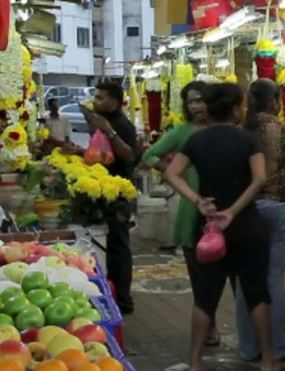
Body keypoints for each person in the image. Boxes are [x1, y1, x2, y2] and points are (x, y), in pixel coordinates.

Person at [164, 83, 285, 371]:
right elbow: (259, 179)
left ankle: (195, 363)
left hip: (208, 228)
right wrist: (233, 211)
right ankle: (269, 361)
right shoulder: (247, 140)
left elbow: (171, 173)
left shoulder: (197, 140)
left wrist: (198, 201)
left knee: (205, 296)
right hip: (245, 224)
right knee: (256, 291)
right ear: (236, 109)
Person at [140, 80, 221, 346]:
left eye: (200, 100)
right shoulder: (183, 132)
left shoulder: (225, 129)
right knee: (198, 271)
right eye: (190, 102)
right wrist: (175, 173)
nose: (196, 106)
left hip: (224, 208)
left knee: (221, 271)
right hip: (192, 206)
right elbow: (150, 156)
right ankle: (208, 325)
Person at [236, 79, 285, 362]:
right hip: (277, 204)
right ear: (274, 102)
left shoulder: (242, 130)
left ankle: (249, 348)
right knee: (274, 280)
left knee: (246, 279)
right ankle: (277, 347)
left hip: (246, 207)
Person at [86, 81, 139, 314]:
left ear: (115, 102)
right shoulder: (102, 122)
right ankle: (114, 292)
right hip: (105, 189)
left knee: (119, 246)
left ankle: (124, 300)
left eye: (100, 98)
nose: (95, 102)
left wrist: (109, 130)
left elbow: (130, 155)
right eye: (95, 97)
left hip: (119, 194)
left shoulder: (120, 125)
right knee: (113, 246)